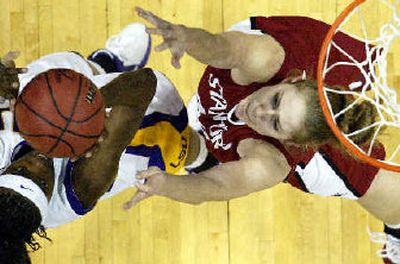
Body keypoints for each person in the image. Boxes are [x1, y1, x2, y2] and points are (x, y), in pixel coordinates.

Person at [126, 7, 400, 264]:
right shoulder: (265, 59)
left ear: (289, 142)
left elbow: (216, 186)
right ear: (289, 80)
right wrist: (186, 37)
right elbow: (224, 48)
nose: (259, 111)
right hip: (314, 55)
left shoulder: (271, 162)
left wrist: (166, 186)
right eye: (276, 100)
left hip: (332, 164)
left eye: (276, 124)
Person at [0, 24, 205, 263]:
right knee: (182, 146)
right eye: (42, 181)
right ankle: (206, 154)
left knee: (40, 81)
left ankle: (105, 63)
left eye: (21, 169)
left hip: (65, 107)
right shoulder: (83, 185)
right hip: (135, 134)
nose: (37, 161)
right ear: (47, 197)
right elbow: (142, 84)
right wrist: (80, 107)